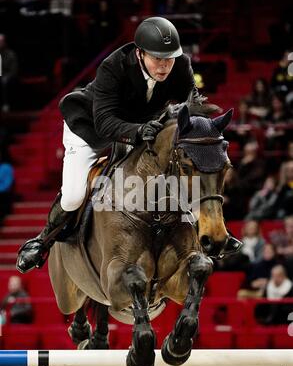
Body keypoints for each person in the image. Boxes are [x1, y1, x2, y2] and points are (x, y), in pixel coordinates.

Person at [16, 16, 213, 274]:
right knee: (75, 194)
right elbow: (106, 123)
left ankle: (212, 231)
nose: (165, 66)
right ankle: (43, 241)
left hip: (142, 127)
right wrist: (139, 130)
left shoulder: (181, 65)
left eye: (169, 58)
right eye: (158, 59)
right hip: (90, 129)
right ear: (140, 54)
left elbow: (192, 106)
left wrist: (207, 133)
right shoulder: (113, 66)